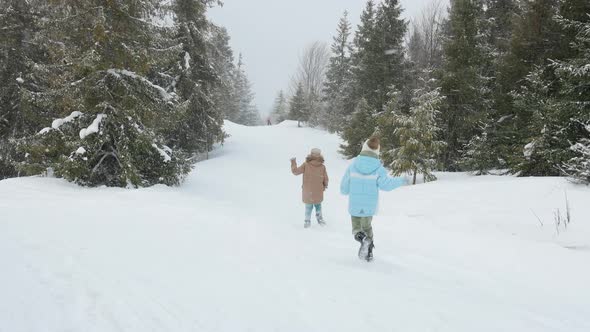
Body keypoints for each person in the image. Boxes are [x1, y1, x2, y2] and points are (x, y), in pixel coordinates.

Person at [340, 137, 405, 261]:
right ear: (377, 151)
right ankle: (369, 253)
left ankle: (362, 239)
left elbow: (344, 188)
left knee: (357, 229)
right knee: (367, 227)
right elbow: (386, 185)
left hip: (355, 204)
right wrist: (401, 180)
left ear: (364, 148)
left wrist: (346, 190)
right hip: (369, 206)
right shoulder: (378, 168)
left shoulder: (353, 166)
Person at [291, 148, 329, 228]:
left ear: (311, 154)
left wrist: (293, 162)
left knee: (308, 206)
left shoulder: (306, 164)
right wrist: (324, 186)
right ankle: (320, 220)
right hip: (318, 190)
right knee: (318, 205)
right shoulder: (322, 166)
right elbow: (326, 178)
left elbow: (296, 172)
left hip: (308, 191)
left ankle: (307, 221)